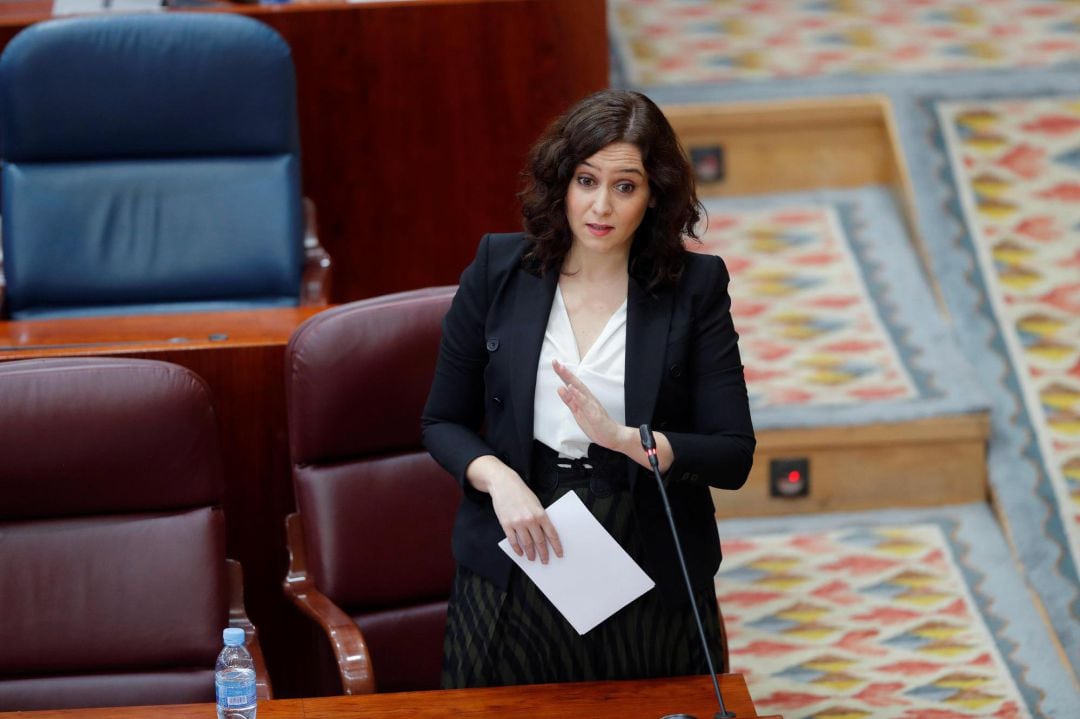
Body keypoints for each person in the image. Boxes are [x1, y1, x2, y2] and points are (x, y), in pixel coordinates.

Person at [422, 88, 755, 688]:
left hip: (643, 546)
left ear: (654, 197)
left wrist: (631, 439)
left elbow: (733, 453)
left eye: (625, 186)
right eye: (586, 180)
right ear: (562, 183)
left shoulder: (695, 287)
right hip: (520, 534)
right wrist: (499, 479)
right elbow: (440, 421)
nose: (601, 206)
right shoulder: (500, 269)